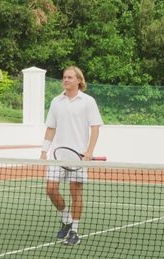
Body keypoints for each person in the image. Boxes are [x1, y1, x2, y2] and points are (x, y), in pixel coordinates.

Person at [40, 66, 103, 245]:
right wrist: (44, 150)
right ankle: (66, 219)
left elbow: (95, 127)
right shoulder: (56, 101)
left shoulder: (88, 101)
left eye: (69, 77)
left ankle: (74, 231)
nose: (66, 80)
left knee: (76, 193)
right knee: (50, 189)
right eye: (64, 77)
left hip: (79, 157)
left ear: (79, 81)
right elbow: (51, 127)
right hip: (57, 155)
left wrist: (89, 151)